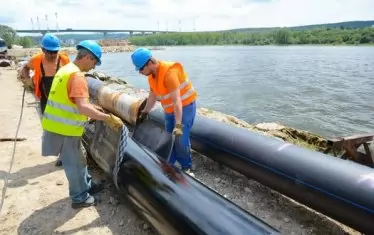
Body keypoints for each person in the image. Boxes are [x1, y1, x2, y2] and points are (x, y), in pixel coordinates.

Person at [41, 40, 124, 208]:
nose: (94, 67)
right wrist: (107, 118)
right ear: (87, 57)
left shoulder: (65, 70)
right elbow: (83, 107)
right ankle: (80, 198)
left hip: (58, 126)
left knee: (80, 159)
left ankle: (86, 185)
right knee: (75, 164)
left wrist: (93, 107)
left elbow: (71, 100)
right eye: (94, 62)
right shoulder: (77, 76)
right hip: (65, 129)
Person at [131, 48, 197, 175]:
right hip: (170, 109)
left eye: (140, 69)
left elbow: (177, 101)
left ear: (150, 63)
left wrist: (178, 125)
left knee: (181, 137)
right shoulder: (151, 76)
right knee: (168, 136)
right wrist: (144, 112)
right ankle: (169, 164)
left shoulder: (169, 74)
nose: (140, 72)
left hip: (185, 106)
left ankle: (186, 166)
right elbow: (152, 96)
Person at [21, 33, 70, 167]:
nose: (53, 55)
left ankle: (64, 155)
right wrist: (26, 80)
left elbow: (73, 75)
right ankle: (59, 152)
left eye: (55, 51)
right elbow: (25, 68)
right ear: (43, 50)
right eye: (50, 52)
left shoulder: (64, 60)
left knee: (65, 126)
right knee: (51, 128)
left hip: (62, 100)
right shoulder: (36, 60)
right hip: (45, 99)